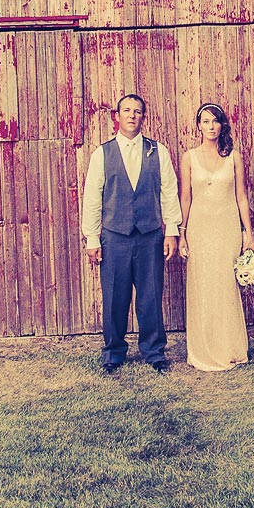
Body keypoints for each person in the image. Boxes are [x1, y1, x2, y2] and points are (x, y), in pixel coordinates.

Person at [82, 92, 182, 373]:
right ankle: (113, 352)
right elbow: (92, 196)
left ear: (143, 117)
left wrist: (171, 230)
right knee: (114, 296)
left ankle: (154, 351)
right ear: (117, 116)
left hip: (150, 235)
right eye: (126, 110)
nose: (131, 115)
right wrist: (91, 237)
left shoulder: (157, 150)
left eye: (137, 111)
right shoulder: (102, 153)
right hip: (114, 236)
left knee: (150, 295)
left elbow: (169, 191)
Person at [179, 102, 254, 371]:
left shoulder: (233, 156)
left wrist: (248, 233)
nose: (210, 126)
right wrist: (182, 234)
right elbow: (185, 198)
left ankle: (229, 347)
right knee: (202, 287)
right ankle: (202, 349)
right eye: (205, 121)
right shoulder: (189, 157)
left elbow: (241, 197)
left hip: (226, 228)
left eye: (215, 121)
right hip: (199, 229)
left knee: (224, 286)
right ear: (198, 125)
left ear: (222, 124)